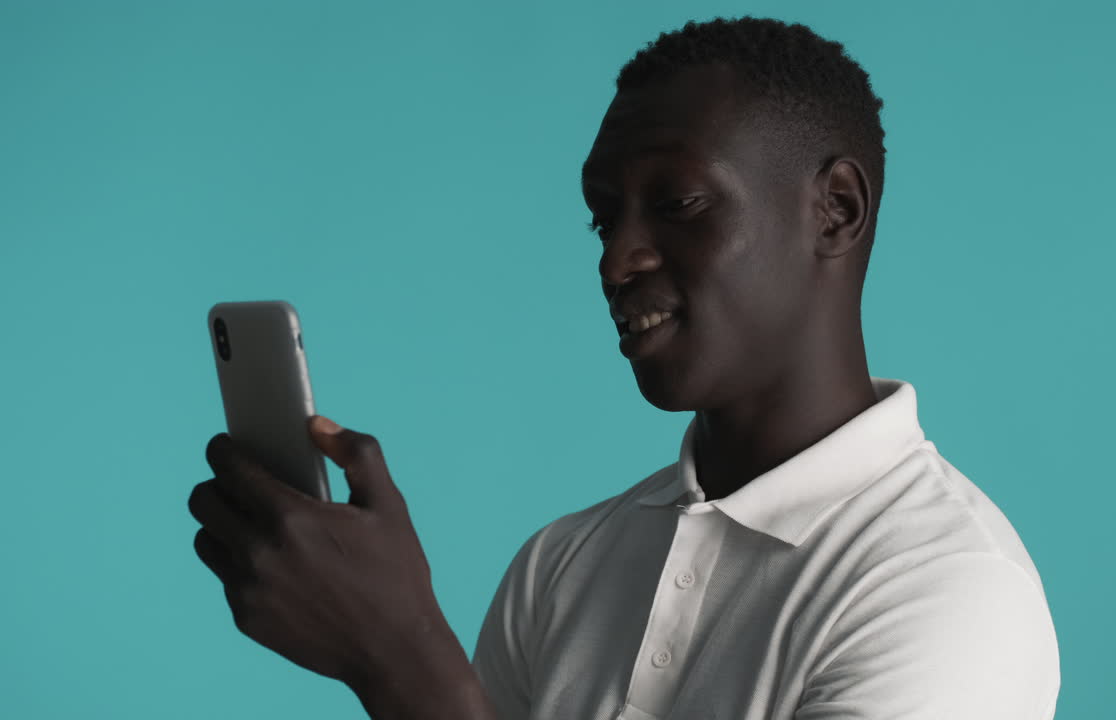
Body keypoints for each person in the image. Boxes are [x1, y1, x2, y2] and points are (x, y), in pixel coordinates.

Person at [190, 15, 1060, 720]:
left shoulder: (949, 590)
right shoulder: (562, 566)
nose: (616, 262)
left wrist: (399, 658)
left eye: (678, 204)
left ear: (834, 211)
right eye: (602, 220)